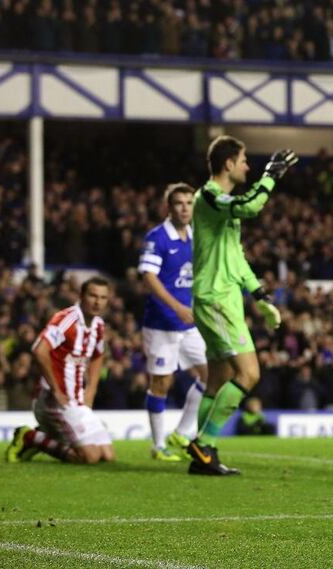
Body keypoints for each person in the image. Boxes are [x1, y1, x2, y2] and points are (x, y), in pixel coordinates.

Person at [186, 135, 297, 475]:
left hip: (223, 298)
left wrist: (261, 296)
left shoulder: (222, 205)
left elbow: (236, 260)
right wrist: (272, 174)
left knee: (218, 379)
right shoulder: (209, 195)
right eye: (244, 160)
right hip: (216, 299)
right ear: (229, 164)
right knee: (249, 374)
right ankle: (203, 444)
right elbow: (251, 206)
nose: (248, 166)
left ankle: (204, 454)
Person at [5, 277, 115, 465]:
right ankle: (30, 438)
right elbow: (40, 350)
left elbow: (98, 355)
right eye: (93, 296)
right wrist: (56, 389)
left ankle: (44, 434)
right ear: (81, 296)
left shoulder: (98, 324)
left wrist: (92, 390)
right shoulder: (67, 319)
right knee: (89, 457)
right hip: (53, 400)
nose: (98, 302)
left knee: (108, 456)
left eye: (103, 298)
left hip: (77, 400)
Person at [138, 183, 208, 462]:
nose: (184, 208)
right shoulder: (157, 237)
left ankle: (181, 432)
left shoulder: (195, 236)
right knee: (161, 383)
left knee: (212, 374)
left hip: (189, 324)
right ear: (169, 207)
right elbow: (148, 276)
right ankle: (157, 446)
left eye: (189, 203)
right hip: (161, 325)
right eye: (179, 203)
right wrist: (177, 307)